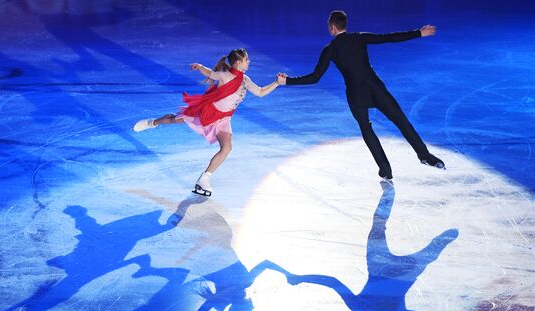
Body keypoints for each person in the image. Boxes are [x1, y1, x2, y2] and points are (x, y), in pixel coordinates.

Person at [277, 10, 445, 181]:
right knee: (401, 120)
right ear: (344, 25)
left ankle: (385, 169)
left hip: (356, 94)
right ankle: (424, 155)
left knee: (366, 129)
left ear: (332, 27)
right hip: (375, 89)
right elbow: (389, 37)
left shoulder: (330, 49)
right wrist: (419, 33)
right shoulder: (359, 37)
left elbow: (314, 78)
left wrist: (287, 81)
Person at [134, 48, 281, 196]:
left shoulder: (245, 80)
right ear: (238, 62)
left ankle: (204, 178)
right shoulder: (225, 75)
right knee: (176, 119)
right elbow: (211, 73)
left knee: (227, 147)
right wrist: (199, 66)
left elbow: (261, 92)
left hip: (224, 119)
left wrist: (277, 82)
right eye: (246, 60)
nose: (249, 62)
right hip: (209, 113)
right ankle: (153, 122)